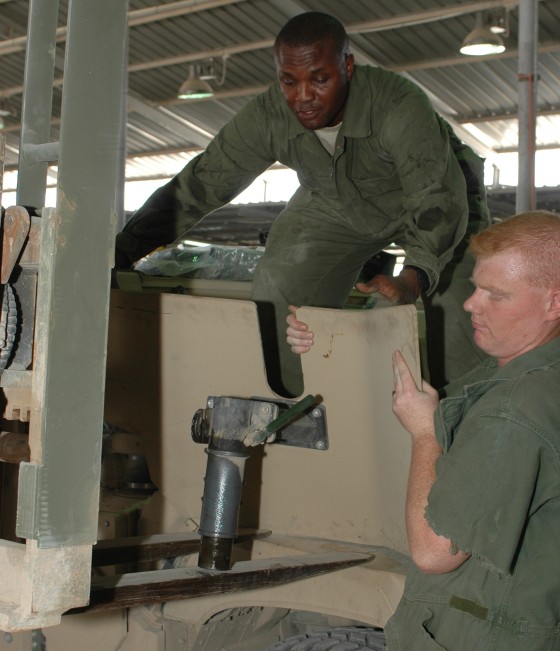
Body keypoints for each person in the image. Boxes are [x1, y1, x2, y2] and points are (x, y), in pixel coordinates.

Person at [115, 11, 489, 396]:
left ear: (347, 66)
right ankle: (304, 409)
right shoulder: (268, 115)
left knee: (460, 319)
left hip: (440, 200)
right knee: (278, 285)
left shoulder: (398, 103)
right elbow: (200, 184)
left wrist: (414, 278)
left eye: (320, 79)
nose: (303, 96)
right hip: (334, 200)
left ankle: (461, 425)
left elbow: (436, 198)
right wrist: (124, 249)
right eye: (289, 81)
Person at [383, 210, 560, 651]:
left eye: (495, 295)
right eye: (476, 288)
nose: (470, 304)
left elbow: (435, 552)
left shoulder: (515, 414)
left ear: (555, 304)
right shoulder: (540, 373)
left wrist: (423, 434)